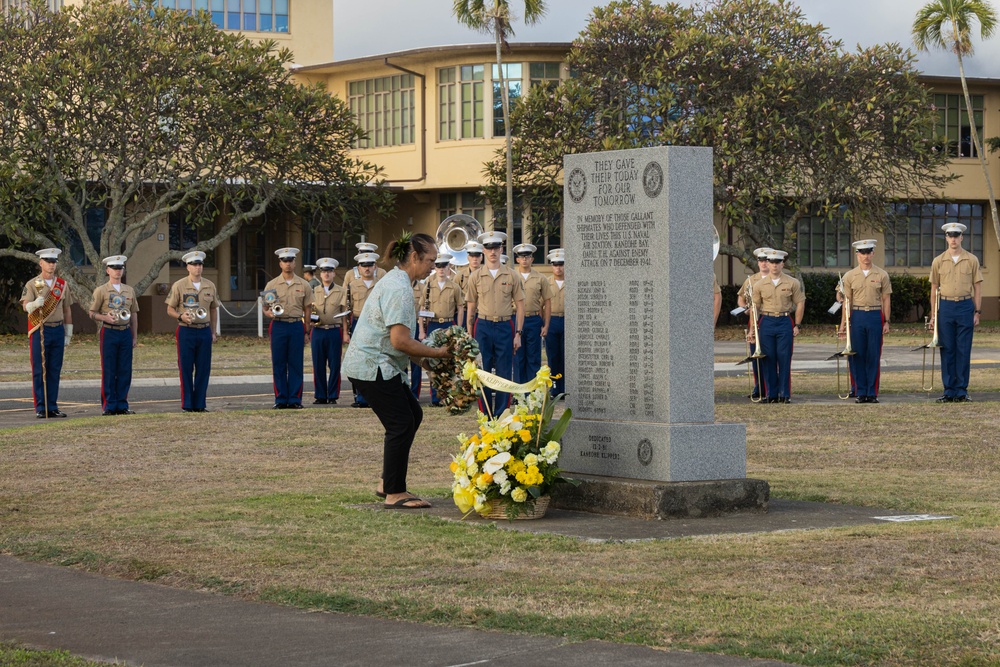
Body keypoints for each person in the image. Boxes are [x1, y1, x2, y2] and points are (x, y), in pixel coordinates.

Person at [342, 232, 452, 509]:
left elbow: (402, 342)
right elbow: (400, 341)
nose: (433, 265)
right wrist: (439, 353)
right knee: (401, 423)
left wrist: (429, 364)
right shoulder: (399, 288)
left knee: (412, 415)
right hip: (372, 365)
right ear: (414, 258)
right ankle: (394, 492)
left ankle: (387, 482)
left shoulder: (398, 281)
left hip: (380, 363)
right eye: (430, 260)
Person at [465, 230, 525, 414]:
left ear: (501, 249)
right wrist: (469, 334)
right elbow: (471, 307)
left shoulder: (512, 275)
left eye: (496, 247)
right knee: (482, 372)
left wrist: (518, 334)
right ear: (483, 250)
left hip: (505, 326)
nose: (493, 251)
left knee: (504, 372)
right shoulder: (475, 276)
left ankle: (501, 414)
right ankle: (487, 414)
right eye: (489, 247)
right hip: (482, 326)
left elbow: (520, 306)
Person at [930, 222, 982, 403]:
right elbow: (934, 288)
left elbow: (977, 287)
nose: (953, 239)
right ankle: (948, 390)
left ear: (962, 237)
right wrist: (934, 314)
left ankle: (961, 390)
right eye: (950, 235)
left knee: (963, 349)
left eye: (956, 235)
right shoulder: (938, 261)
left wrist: (977, 312)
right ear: (946, 238)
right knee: (947, 349)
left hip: (965, 306)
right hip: (945, 306)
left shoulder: (972, 260)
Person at [22, 248, 73, 419]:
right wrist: (34, 304)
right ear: (41, 263)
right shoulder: (32, 284)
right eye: (48, 262)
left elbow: (67, 309)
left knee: (54, 369)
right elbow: (25, 305)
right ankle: (40, 407)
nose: (51, 265)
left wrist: (68, 332)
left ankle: (52, 406)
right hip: (40, 329)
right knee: (39, 369)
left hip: (57, 329)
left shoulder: (62, 284)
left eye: (54, 262)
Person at [839, 239, 892, 404]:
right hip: (857, 315)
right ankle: (861, 391)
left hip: (875, 315)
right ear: (857, 255)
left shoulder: (882, 274)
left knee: (873, 355)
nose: (866, 256)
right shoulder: (850, 276)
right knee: (857, 355)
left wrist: (887, 321)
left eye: (868, 252)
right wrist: (843, 325)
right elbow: (846, 302)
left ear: (873, 253)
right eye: (862, 252)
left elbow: (886, 299)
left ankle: (872, 392)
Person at [166, 250, 219, 413]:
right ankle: (188, 404)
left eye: (200, 264)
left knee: (203, 368)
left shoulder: (210, 285)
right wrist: (181, 316)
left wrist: (213, 332)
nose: (198, 267)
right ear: (188, 267)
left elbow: (213, 309)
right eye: (194, 264)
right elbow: (170, 309)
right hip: (186, 330)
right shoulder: (179, 285)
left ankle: (200, 403)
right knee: (186, 367)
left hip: (203, 330)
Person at [750, 249, 805, 403]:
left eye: (778, 262)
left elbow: (800, 302)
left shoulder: (792, 282)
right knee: (768, 359)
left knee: (784, 358)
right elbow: (755, 308)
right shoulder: (759, 284)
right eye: (771, 262)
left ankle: (784, 393)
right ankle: (771, 394)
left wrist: (798, 325)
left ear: (782, 264)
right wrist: (753, 330)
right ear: (767, 263)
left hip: (784, 321)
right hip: (766, 321)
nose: (774, 265)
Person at [262, 247, 313, 409]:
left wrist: (307, 330)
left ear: (295, 262)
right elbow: (264, 306)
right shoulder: (272, 284)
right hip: (279, 325)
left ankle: (295, 399)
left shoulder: (304, 284)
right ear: (280, 263)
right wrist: (268, 313)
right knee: (279, 363)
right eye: (285, 261)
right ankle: (281, 399)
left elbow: (308, 309)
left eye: (290, 260)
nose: (288, 264)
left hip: (296, 325)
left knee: (296, 364)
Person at [89, 255, 139, 415]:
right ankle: (109, 405)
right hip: (109, 331)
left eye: (120, 268)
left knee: (125, 369)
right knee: (109, 369)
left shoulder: (129, 290)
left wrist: (134, 336)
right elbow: (92, 313)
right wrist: (104, 317)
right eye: (114, 268)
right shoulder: (101, 290)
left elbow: (134, 315)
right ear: (108, 270)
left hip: (125, 332)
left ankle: (122, 404)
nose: (118, 271)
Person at [421, 252, 465, 406]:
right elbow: (421, 308)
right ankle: (435, 397)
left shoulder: (454, 287)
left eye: (444, 266)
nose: (441, 269)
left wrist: (458, 328)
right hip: (432, 324)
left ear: (448, 267)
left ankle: (450, 396)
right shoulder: (428, 285)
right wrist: (421, 329)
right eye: (438, 266)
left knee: (450, 362)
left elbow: (460, 307)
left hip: (448, 324)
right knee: (432, 361)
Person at [343, 248, 382, 407]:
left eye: (370, 264)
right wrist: (345, 332)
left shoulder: (381, 285)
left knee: (376, 360)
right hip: (358, 322)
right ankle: (361, 398)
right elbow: (345, 310)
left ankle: (376, 397)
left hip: (376, 323)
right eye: (363, 265)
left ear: (375, 266)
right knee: (359, 361)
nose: (367, 268)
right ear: (358, 268)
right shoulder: (352, 285)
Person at [511, 243, 552, 384]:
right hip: (516, 319)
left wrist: (546, 325)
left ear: (532, 259)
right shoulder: (512, 277)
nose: (524, 259)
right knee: (518, 357)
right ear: (517, 260)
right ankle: (519, 392)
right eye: (522, 257)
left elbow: (547, 301)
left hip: (534, 319)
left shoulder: (541, 278)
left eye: (527, 257)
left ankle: (533, 392)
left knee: (533, 357)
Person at [310, 257, 346, 405]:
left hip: (334, 330)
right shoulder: (314, 290)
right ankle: (320, 395)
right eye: (324, 271)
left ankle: (332, 395)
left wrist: (345, 332)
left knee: (334, 364)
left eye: (329, 271)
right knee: (318, 364)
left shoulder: (341, 291)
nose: (326, 274)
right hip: (317, 331)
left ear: (333, 273)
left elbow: (344, 313)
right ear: (320, 274)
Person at [737, 247, 772, 400]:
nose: (764, 263)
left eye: (766, 260)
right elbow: (741, 298)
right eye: (761, 260)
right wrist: (744, 308)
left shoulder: (776, 278)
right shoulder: (751, 280)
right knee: (755, 355)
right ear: (757, 262)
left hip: (769, 318)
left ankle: (770, 388)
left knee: (770, 356)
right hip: (754, 320)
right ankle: (758, 387)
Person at [545, 248, 566, 397]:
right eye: (555, 265)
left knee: (566, 356)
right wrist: (544, 324)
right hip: (551, 320)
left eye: (561, 264)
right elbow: (541, 305)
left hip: (566, 320)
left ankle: (564, 387)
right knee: (552, 356)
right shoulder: (546, 282)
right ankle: (554, 387)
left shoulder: (572, 280)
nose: (558, 268)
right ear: (552, 266)